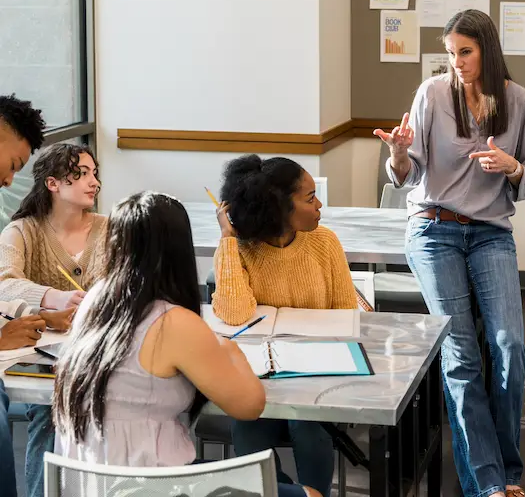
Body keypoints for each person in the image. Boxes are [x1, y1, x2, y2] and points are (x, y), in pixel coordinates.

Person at [374, 9, 525, 497]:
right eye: (449, 53)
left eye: (464, 52)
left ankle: (507, 471)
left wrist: (512, 166)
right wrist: (399, 154)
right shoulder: (431, 94)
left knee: (509, 346)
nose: (456, 63)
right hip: (433, 229)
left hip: (490, 231)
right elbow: (407, 174)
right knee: (461, 354)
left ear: (487, 50)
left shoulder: (519, 102)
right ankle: (489, 485)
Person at [51, 191, 319, 497]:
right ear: (178, 249)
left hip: (88, 481)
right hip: (151, 484)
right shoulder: (172, 321)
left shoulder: (94, 302)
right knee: (309, 495)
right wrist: (228, 349)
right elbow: (250, 406)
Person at [212, 155, 357, 497]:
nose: (319, 205)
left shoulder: (325, 243)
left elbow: (347, 317)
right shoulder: (238, 249)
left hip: (316, 376)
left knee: (308, 425)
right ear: (278, 208)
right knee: (246, 426)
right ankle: (291, 493)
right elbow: (234, 313)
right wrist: (228, 239)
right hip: (259, 378)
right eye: (309, 198)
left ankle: (307, 493)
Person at [0, 141, 106, 497]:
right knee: (50, 413)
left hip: (104, 354)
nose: (94, 183)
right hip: (43, 362)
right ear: (53, 184)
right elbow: (3, 283)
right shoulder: (22, 231)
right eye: (82, 174)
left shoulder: (113, 229)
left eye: (95, 174)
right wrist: (51, 297)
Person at [0, 94, 46, 497]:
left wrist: (19, 316)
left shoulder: (105, 228)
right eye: (12, 165)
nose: (9, 181)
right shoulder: (21, 230)